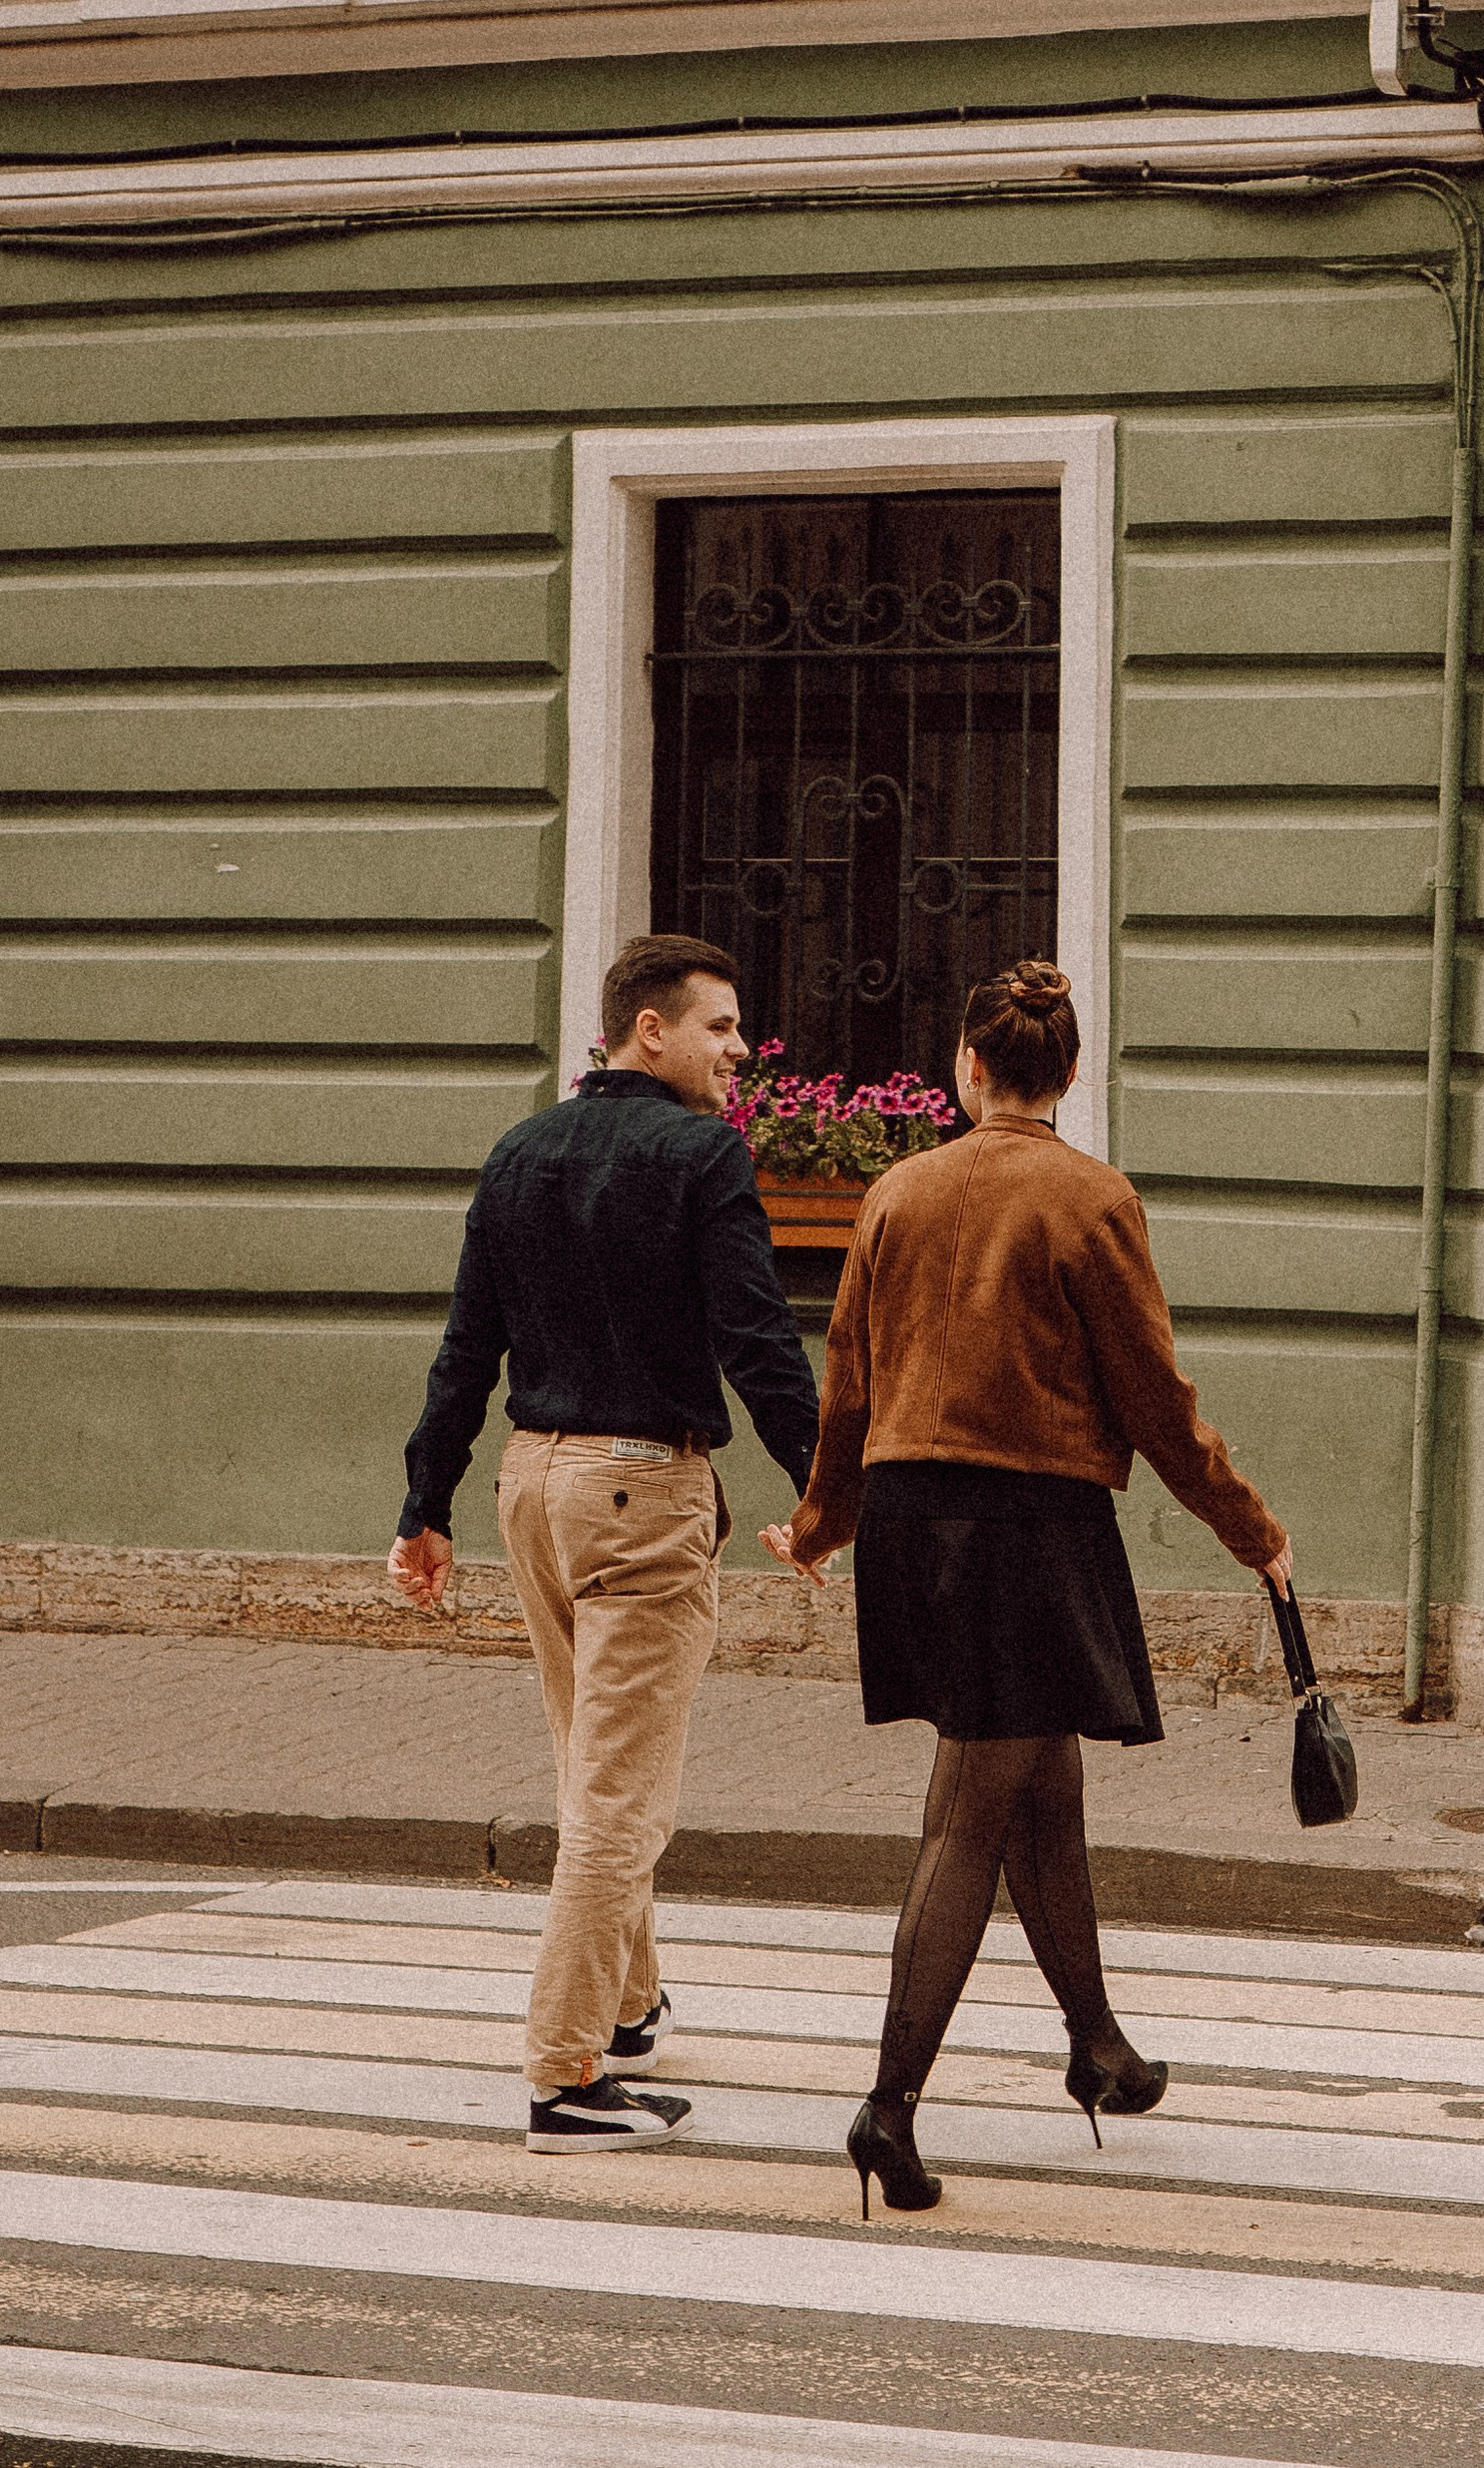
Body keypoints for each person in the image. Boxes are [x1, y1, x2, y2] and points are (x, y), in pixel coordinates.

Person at [767, 958, 1292, 2218]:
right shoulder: (1090, 1199)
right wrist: (1250, 1529)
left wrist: (822, 1523)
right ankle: (886, 2108)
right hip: (1029, 1525)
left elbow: (847, 1382)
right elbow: (1152, 1400)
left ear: (966, 1068)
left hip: (911, 1521)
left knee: (1040, 1779)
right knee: (969, 1810)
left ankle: (1097, 2047)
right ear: (1067, 1075)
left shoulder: (896, 1191)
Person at [389, 933, 820, 2154]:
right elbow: (757, 1338)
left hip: (534, 1486)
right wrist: (825, 1488)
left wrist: (426, 1505)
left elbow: (466, 1346)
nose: (740, 1052)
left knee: (591, 1760)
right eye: (722, 1028)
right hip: (642, 1488)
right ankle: (563, 2076)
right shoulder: (702, 1156)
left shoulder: (521, 1151)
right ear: (650, 1031)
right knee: (619, 1802)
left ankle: (629, 2011)